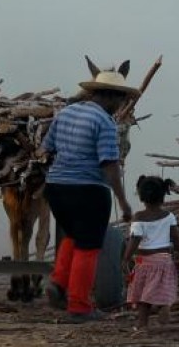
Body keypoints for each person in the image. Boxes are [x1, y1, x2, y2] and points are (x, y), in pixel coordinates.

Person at [40, 60, 137, 323]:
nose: (120, 105)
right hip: (88, 190)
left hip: (56, 189)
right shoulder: (105, 122)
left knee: (73, 234)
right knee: (89, 246)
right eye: (120, 98)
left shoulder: (65, 113)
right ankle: (80, 307)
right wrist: (123, 201)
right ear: (110, 96)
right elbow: (109, 165)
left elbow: (46, 148)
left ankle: (58, 283)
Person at [123, 175, 179, 330]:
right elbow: (176, 238)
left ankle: (142, 324)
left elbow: (135, 239)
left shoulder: (138, 217)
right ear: (163, 195)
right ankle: (164, 306)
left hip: (144, 262)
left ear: (141, 196)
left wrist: (125, 258)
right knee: (162, 288)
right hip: (164, 260)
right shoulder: (169, 216)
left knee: (143, 295)